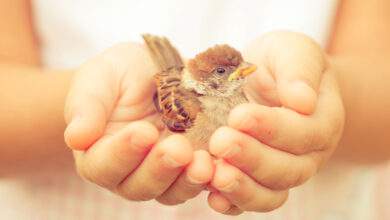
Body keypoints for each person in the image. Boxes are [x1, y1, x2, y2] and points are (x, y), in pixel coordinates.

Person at [0, 0, 389, 219]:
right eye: (227, 72)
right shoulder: (186, 109)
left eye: (238, 69)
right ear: (209, 80)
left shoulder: (247, 97)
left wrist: (325, 89)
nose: (243, 75)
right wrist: (90, 110)